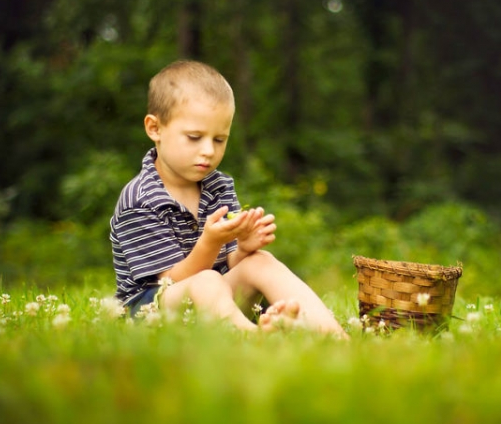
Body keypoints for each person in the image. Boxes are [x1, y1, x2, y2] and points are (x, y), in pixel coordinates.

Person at [110, 60, 346, 336]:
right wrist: (211, 241)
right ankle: (254, 340)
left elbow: (229, 263)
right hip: (152, 314)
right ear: (155, 128)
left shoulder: (218, 186)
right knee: (207, 281)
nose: (209, 151)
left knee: (261, 261)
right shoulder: (139, 199)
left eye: (219, 140)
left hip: (215, 302)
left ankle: (334, 335)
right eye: (195, 137)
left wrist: (243, 249)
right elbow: (170, 282)